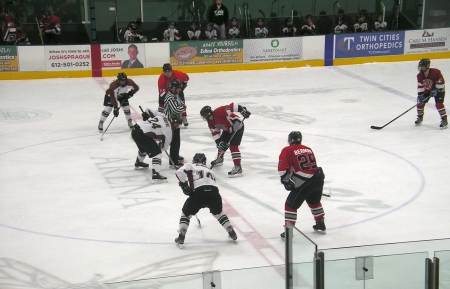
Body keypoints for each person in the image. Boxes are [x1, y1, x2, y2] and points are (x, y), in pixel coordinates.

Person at [174, 153, 238, 248]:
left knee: (186, 214)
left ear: (194, 160)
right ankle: (229, 228)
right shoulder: (209, 170)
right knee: (219, 213)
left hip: (199, 193)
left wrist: (184, 185)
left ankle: (182, 233)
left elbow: (179, 172)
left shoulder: (190, 165)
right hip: (214, 193)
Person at [278, 131, 326, 240]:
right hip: (318, 178)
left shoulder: (287, 150)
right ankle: (320, 223)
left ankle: (289, 231)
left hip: (304, 180)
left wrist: (287, 181)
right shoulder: (308, 148)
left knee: (290, 205)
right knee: (314, 201)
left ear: (290, 140)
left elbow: (282, 168)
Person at [199, 103, 251, 177]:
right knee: (222, 144)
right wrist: (219, 143)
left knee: (233, 146)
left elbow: (232, 106)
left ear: (209, 113)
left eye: (206, 116)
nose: (206, 118)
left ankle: (238, 167)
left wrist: (242, 109)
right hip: (228, 129)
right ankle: (220, 158)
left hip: (237, 125)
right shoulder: (210, 122)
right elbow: (215, 133)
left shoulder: (218, 111)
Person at [132, 108, 183, 183]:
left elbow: (148, 110)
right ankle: (156, 174)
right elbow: (164, 148)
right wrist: (159, 145)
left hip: (135, 130)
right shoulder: (169, 133)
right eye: (178, 124)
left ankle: (139, 162)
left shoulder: (163, 116)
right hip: (142, 134)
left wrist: (146, 115)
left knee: (144, 147)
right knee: (157, 153)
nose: (178, 126)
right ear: (175, 124)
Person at [415, 58, 447, 129]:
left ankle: (444, 119)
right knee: (420, 103)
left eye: (423, 66)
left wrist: (436, 89)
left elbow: (441, 83)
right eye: (420, 66)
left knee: (439, 104)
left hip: (439, 90)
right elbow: (420, 86)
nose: (421, 68)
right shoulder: (419, 75)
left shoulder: (436, 72)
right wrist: (420, 95)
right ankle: (420, 117)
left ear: (427, 66)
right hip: (427, 91)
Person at [164, 79, 186, 169]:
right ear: (173, 88)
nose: (179, 90)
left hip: (175, 122)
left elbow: (181, 104)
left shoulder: (175, 95)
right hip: (170, 123)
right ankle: (173, 161)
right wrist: (182, 107)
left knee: (177, 141)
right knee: (174, 142)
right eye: (178, 88)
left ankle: (175, 156)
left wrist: (182, 107)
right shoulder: (169, 97)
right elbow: (175, 109)